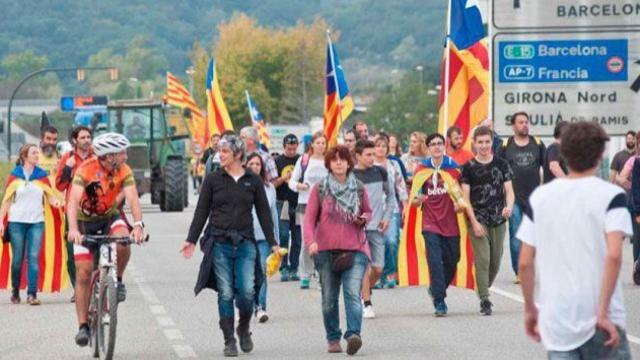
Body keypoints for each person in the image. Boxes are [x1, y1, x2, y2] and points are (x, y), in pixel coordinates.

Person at [519, 121, 632, 359]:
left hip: (558, 320)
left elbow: (525, 263)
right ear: (601, 154)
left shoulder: (540, 198)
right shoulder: (612, 196)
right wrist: (601, 312)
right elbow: (614, 254)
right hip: (604, 319)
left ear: (563, 153)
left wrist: (530, 307)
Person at [180, 134, 279, 357]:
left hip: (245, 243)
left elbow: (264, 213)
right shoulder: (213, 180)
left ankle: (243, 328)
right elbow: (202, 211)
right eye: (219, 151)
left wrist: (273, 243)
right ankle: (229, 340)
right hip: (219, 242)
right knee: (225, 293)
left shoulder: (253, 181)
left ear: (237, 155)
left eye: (225, 151)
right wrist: (191, 240)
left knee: (246, 291)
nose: (220, 155)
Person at [67, 133, 145, 347]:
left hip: (109, 217)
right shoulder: (86, 170)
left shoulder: (124, 170)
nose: (126, 156)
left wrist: (138, 225)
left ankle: (117, 280)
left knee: (123, 239)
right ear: (109, 156)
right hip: (84, 222)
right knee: (83, 273)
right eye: (122, 153)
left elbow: (132, 198)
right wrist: (73, 229)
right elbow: (72, 202)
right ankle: (83, 326)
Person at [304, 145, 371, 355]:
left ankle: (353, 335)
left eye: (343, 159)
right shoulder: (320, 188)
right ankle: (333, 338)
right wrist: (310, 241)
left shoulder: (359, 188)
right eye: (335, 160)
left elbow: (368, 211)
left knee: (352, 293)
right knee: (329, 298)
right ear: (329, 164)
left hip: (356, 249)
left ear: (349, 162)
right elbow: (308, 219)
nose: (339, 163)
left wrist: (363, 218)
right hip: (325, 251)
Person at [460, 126, 515, 316]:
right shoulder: (468, 168)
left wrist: (509, 207)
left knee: (495, 263)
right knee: (483, 259)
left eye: (487, 142)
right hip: (478, 218)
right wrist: (473, 222)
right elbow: (465, 198)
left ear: (492, 143)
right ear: (474, 143)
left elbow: (509, 190)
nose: (484, 146)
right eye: (480, 142)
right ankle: (485, 299)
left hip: (498, 219)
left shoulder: (501, 164)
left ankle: (482, 287)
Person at [0, 144, 62, 305]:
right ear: (25, 156)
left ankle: (32, 294)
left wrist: (57, 203)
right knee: (18, 259)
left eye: (37, 153)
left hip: (36, 222)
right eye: (34, 153)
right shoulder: (15, 176)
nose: (37, 155)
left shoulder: (41, 176)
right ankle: (15, 291)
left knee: (33, 257)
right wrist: (1, 220)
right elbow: (6, 201)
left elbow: (49, 196)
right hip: (16, 223)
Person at [410, 133, 463, 316]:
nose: (437, 147)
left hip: (451, 223)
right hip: (430, 222)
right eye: (433, 144)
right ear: (428, 147)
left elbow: (462, 194)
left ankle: (436, 289)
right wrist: (419, 199)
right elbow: (415, 199)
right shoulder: (421, 169)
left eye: (440, 143)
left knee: (453, 260)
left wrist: (459, 204)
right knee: (435, 261)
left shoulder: (454, 168)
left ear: (444, 145)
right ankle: (440, 302)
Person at [496, 112, 545, 282]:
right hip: (513, 198)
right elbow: (497, 171)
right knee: (515, 234)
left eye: (526, 122)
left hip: (534, 198)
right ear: (513, 126)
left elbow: (546, 168)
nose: (525, 125)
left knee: (533, 235)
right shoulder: (505, 145)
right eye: (521, 122)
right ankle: (519, 272)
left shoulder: (537, 143)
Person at [353, 139, 395, 319]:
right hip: (358, 229)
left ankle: (364, 292)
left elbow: (391, 196)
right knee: (363, 266)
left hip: (377, 228)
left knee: (378, 268)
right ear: (358, 156)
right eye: (368, 155)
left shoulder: (381, 172)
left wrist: (386, 218)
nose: (372, 158)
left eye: (373, 154)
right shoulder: (350, 175)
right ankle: (367, 303)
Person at [55, 126, 94, 302]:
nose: (87, 140)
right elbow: (60, 185)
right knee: (73, 253)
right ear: (75, 140)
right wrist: (67, 169)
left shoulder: (97, 156)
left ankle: (94, 286)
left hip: (95, 209)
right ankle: (77, 288)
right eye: (83, 137)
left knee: (96, 248)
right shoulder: (67, 158)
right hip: (74, 211)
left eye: (88, 136)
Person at [288, 131, 328, 289]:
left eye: (323, 143)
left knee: (322, 241)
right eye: (318, 142)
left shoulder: (329, 161)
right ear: (312, 144)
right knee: (307, 241)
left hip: (325, 205)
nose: (320, 146)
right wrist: (299, 186)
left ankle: (320, 272)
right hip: (305, 204)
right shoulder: (304, 160)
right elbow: (292, 181)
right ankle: (304, 272)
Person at [246, 153, 279, 323]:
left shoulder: (269, 189)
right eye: (251, 163)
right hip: (244, 236)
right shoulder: (240, 185)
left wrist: (276, 241)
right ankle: (244, 305)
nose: (254, 166)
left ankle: (261, 307)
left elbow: (273, 215)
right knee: (245, 272)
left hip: (264, 237)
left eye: (258, 164)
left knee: (262, 271)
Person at [373, 134, 407, 288]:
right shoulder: (369, 165)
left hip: (391, 209)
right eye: (377, 145)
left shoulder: (393, 165)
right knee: (377, 243)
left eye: (383, 146)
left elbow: (400, 186)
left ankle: (390, 272)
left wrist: (405, 205)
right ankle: (378, 274)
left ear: (388, 148)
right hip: (373, 210)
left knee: (392, 241)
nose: (380, 148)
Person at [273, 134, 302, 282]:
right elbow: (273, 184)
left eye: (294, 148)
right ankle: (283, 267)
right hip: (282, 202)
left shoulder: (301, 160)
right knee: (284, 235)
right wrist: (284, 179)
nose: (291, 151)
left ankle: (294, 268)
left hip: (298, 204)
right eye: (289, 149)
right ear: (284, 147)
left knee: (297, 238)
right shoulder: (277, 161)